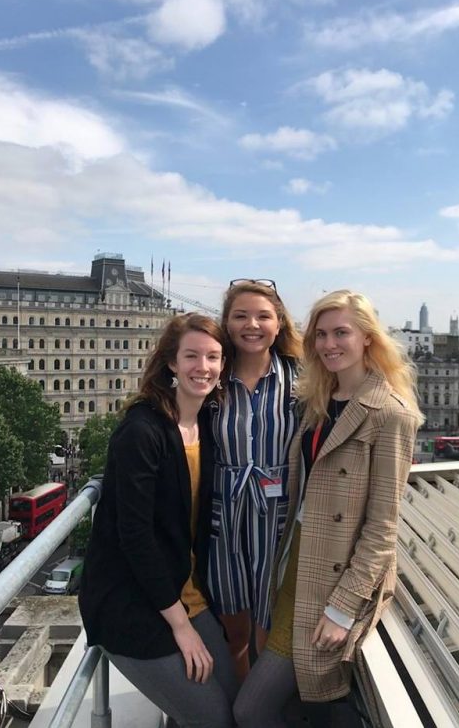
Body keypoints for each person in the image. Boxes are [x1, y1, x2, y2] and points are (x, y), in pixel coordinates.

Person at [234, 290, 422, 728]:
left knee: (251, 708)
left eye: (342, 332)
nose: (328, 344)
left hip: (333, 576)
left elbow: (382, 527)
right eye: (320, 334)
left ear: (368, 339)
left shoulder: (391, 415)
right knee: (282, 695)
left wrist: (341, 608)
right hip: (293, 556)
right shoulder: (318, 398)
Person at [78, 313, 238, 728]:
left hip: (184, 591)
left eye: (213, 357)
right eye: (192, 356)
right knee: (213, 717)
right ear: (171, 362)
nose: (202, 367)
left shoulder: (207, 425)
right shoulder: (143, 431)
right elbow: (135, 535)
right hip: (132, 602)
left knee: (236, 702)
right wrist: (182, 628)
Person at [208, 279, 303, 681]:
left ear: (278, 324)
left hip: (277, 514)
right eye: (241, 315)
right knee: (233, 626)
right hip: (222, 514)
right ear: (227, 323)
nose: (252, 324)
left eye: (263, 315)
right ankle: (234, 702)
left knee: (269, 620)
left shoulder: (301, 379)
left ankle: (257, 710)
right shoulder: (211, 377)